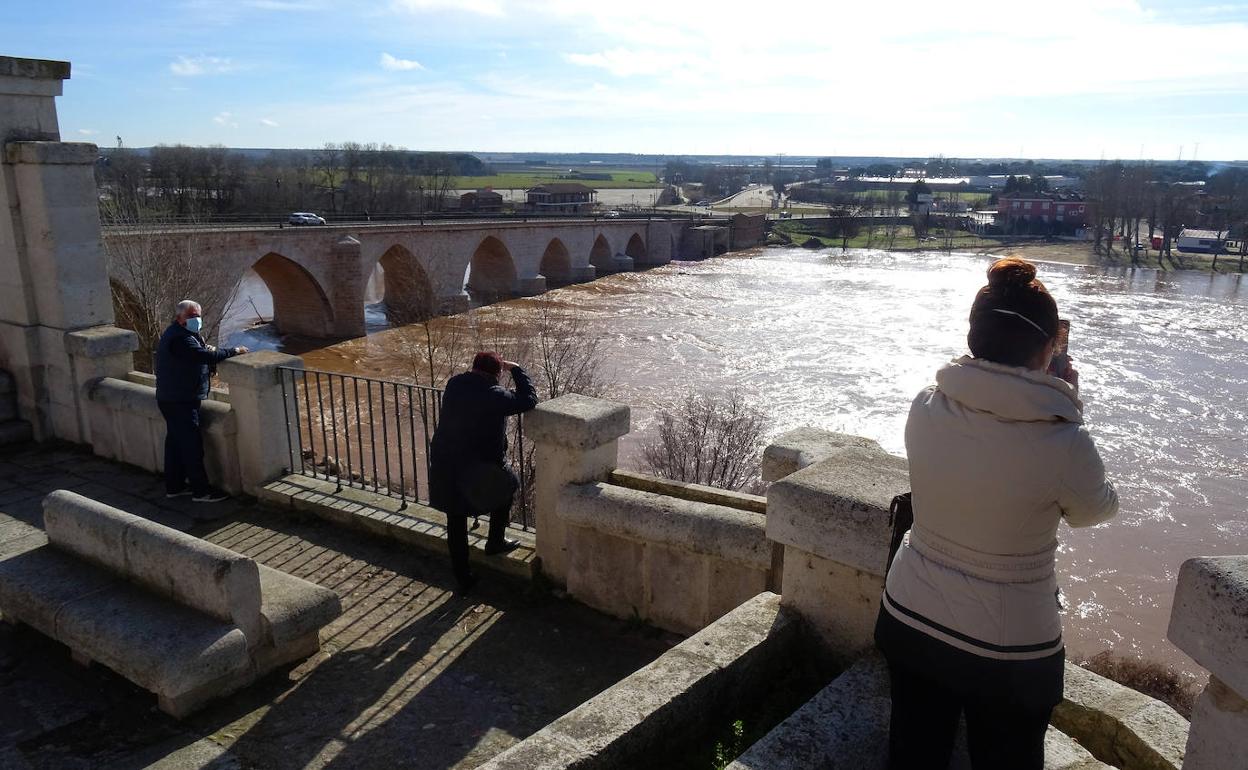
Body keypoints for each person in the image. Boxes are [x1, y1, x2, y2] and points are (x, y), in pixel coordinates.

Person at [875, 258, 1118, 769]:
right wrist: (1068, 403)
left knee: (913, 755)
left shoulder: (924, 404)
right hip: (1009, 652)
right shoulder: (1065, 441)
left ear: (975, 338)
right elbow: (1095, 511)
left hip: (910, 616)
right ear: (1050, 347)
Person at [429, 352, 538, 592]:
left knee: (455, 519)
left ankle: (463, 577)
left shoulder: (455, 383)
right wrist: (517, 369)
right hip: (475, 465)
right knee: (509, 484)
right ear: (497, 373)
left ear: (473, 367)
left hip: (445, 461)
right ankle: (495, 541)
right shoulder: (494, 395)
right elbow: (529, 399)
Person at [155, 300, 248, 503]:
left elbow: (198, 352)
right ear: (179, 318)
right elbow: (202, 355)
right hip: (180, 400)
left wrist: (208, 349)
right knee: (191, 446)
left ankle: (175, 487)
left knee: (175, 444)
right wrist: (235, 351)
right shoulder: (180, 338)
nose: (196, 319)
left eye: (198, 315)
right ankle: (201, 492)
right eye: (191, 316)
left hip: (172, 397)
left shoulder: (180, 333)